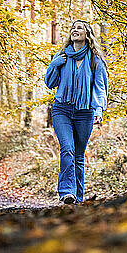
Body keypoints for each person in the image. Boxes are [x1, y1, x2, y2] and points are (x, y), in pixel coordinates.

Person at [44, 20, 108, 205]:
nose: (75, 30)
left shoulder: (95, 60)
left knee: (79, 156)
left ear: (87, 34)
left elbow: (100, 87)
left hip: (84, 112)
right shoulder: (62, 56)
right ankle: (66, 192)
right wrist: (54, 64)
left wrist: (98, 109)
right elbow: (50, 83)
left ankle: (77, 198)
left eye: (79, 28)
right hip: (62, 109)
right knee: (68, 150)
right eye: (73, 28)